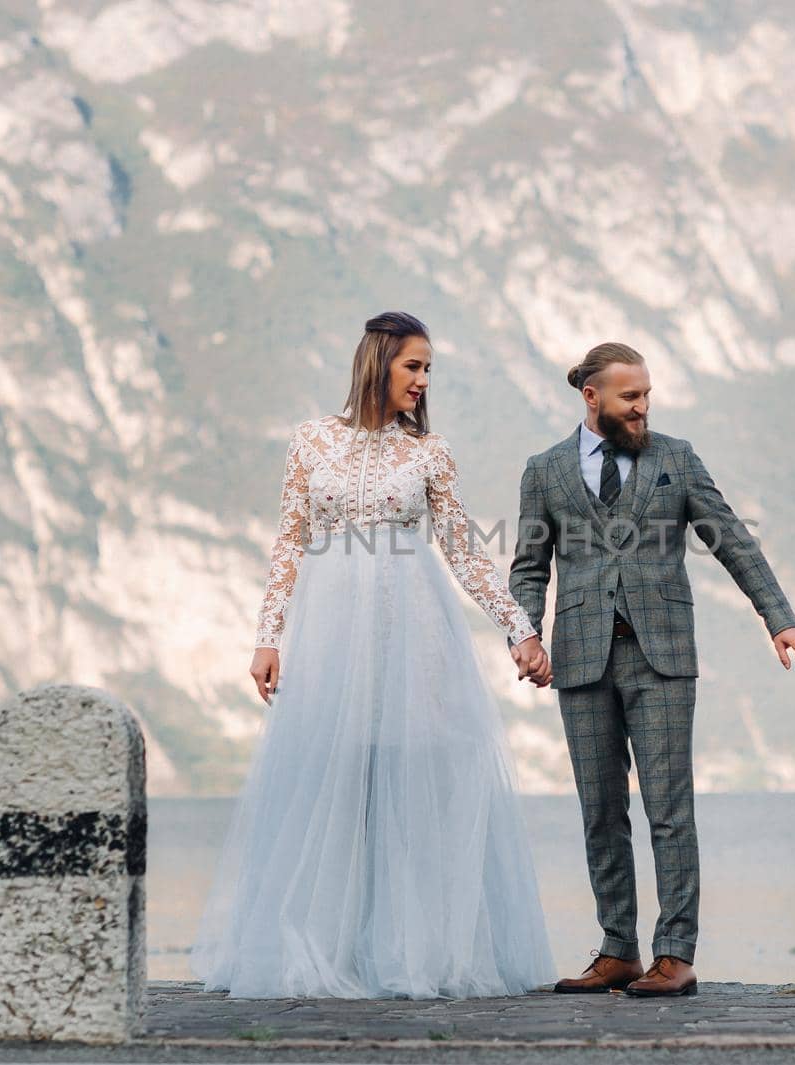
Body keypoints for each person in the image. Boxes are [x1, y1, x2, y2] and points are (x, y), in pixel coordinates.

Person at [190, 312, 556, 999]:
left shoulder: (429, 453)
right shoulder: (311, 441)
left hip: (411, 628)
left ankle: (404, 950)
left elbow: (463, 551)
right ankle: (318, 944)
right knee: (323, 777)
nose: (422, 380)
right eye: (413, 366)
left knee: (408, 782)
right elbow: (289, 542)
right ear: (378, 362)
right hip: (329, 632)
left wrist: (520, 628)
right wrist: (267, 636)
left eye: (428, 370)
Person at [509, 341, 795, 998]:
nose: (643, 406)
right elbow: (531, 566)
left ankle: (674, 952)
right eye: (630, 396)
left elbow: (732, 539)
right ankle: (617, 948)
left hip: (664, 655)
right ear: (591, 397)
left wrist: (780, 619)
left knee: (669, 809)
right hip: (582, 658)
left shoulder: (676, 458)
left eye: (647, 394)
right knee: (600, 810)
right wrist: (525, 632)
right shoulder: (545, 471)